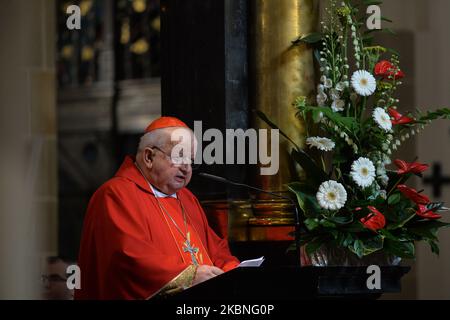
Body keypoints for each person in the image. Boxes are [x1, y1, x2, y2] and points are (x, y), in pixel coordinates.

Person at [75, 117, 239, 300]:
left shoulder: (187, 199)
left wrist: (231, 270)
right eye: (179, 156)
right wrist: (190, 276)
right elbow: (129, 259)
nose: (186, 168)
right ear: (149, 157)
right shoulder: (115, 194)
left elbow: (216, 249)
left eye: (191, 160)